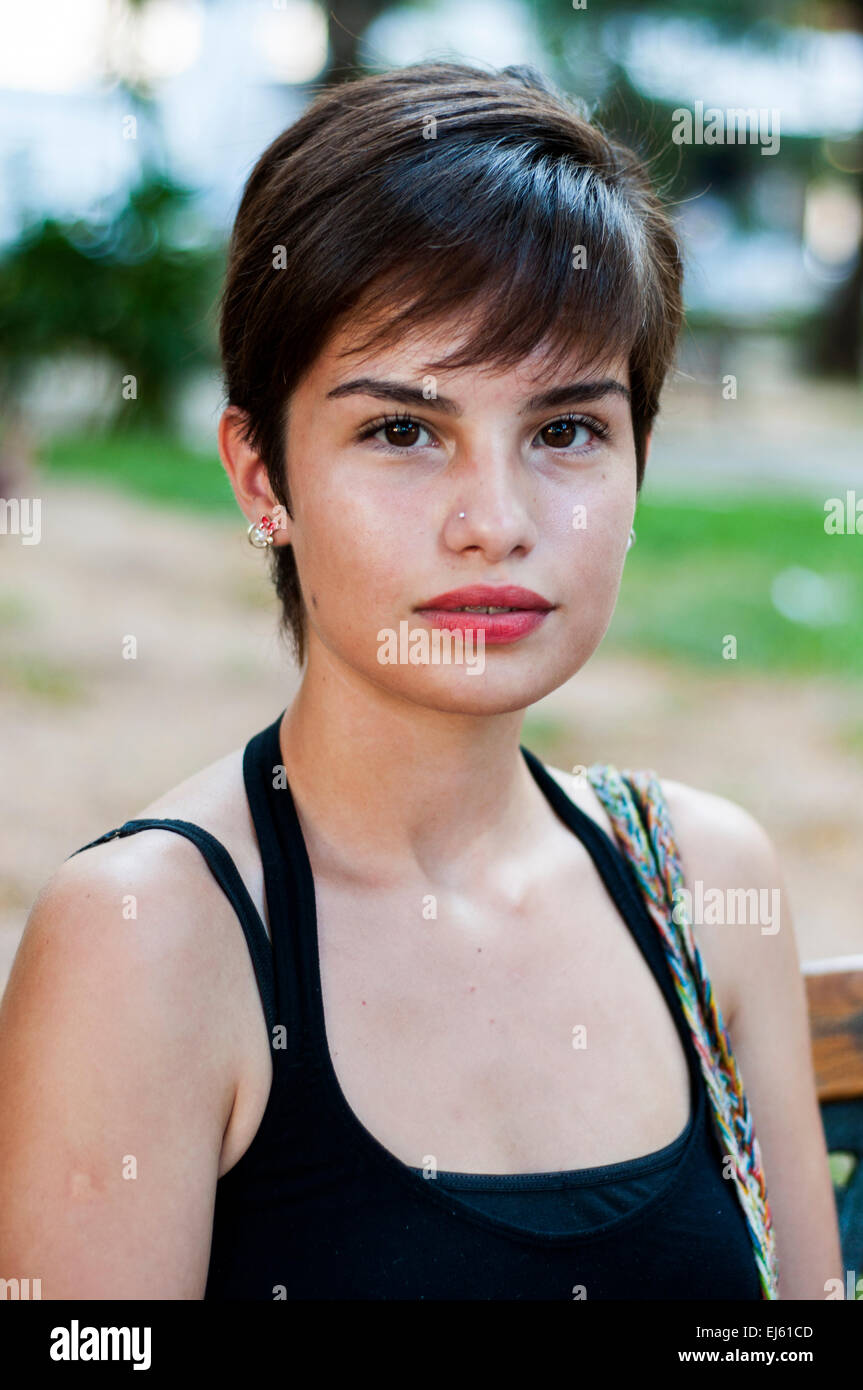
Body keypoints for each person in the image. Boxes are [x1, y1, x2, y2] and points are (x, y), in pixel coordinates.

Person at [0, 60, 841, 1300]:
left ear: (638, 458)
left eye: (565, 431)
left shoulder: (704, 885)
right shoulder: (151, 944)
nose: (495, 521)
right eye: (402, 430)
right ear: (259, 475)